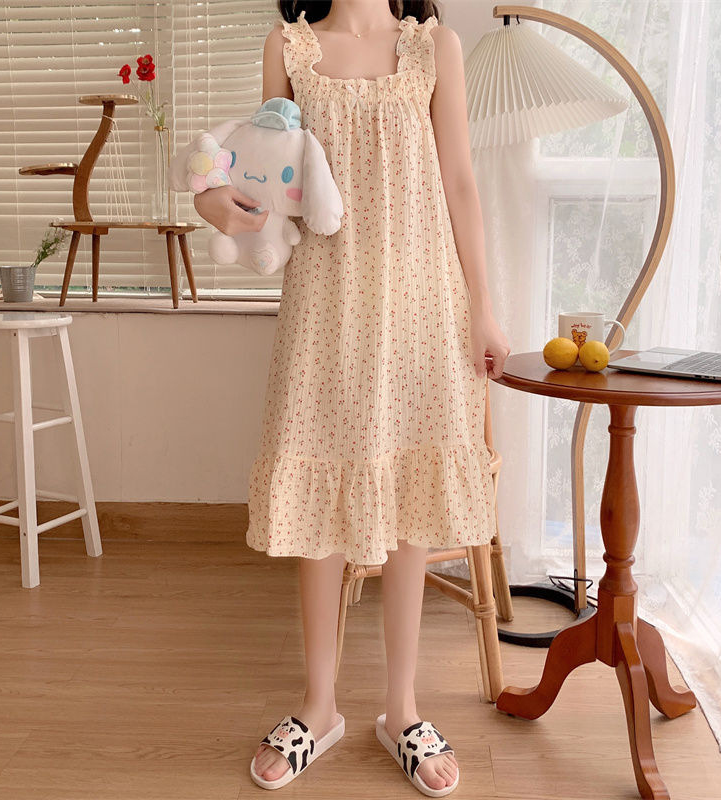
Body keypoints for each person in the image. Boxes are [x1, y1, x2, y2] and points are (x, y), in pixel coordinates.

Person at [193, 1, 510, 794]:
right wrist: (210, 198)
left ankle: (403, 709)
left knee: (409, 500)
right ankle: (320, 707)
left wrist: (484, 308)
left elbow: (460, 181)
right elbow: (259, 163)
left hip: (422, 301)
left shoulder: (435, 48)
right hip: (325, 300)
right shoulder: (289, 48)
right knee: (320, 504)